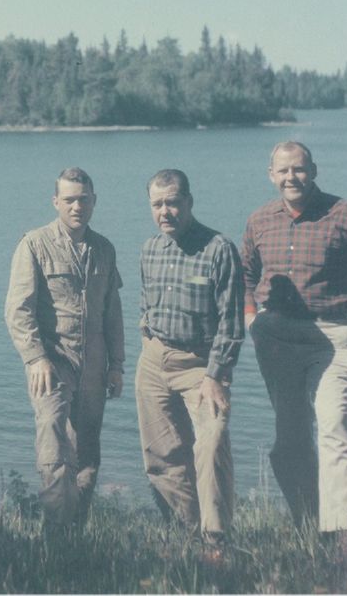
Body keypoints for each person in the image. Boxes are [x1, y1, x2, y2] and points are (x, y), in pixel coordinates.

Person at [241, 141, 347, 535]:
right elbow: (243, 275)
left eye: (299, 169)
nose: (291, 177)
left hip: (332, 336)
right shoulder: (260, 219)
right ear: (271, 175)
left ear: (313, 171)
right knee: (290, 439)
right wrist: (250, 320)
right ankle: (308, 523)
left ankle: (341, 536)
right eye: (283, 171)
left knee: (334, 428)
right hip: (276, 338)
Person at [4, 167, 125, 528]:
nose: (77, 206)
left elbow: (112, 314)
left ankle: (76, 532)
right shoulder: (34, 244)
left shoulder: (104, 248)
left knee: (88, 454)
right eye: (69, 200)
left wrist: (116, 365)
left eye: (83, 199)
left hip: (94, 364)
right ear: (56, 202)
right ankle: (55, 540)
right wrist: (36, 357)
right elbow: (18, 310)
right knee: (55, 450)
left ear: (94, 202)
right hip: (52, 364)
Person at [136, 169, 244, 551]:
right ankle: (184, 534)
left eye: (172, 202)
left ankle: (215, 540)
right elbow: (146, 305)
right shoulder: (151, 248)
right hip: (154, 360)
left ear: (189, 202)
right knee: (163, 454)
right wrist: (149, 341)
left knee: (211, 444)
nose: (165, 212)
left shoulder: (219, 249)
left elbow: (232, 325)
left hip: (202, 366)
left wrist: (216, 375)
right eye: (157, 204)